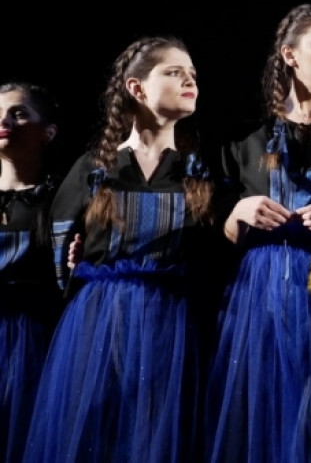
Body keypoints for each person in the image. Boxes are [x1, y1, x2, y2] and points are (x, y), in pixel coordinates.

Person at [22, 36, 220, 462]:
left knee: (156, 436)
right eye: (174, 72)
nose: (190, 81)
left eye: (193, 74)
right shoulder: (96, 167)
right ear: (136, 88)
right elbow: (57, 238)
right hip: (98, 320)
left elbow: (212, 255)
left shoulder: (199, 171)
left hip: (171, 321)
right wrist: (74, 270)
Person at [203, 3, 311, 463]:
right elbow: (211, 232)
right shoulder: (245, 139)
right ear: (289, 54)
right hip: (259, 302)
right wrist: (238, 211)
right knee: (263, 419)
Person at [0, 82, 63, 463]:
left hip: (32, 339)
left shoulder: (59, 200)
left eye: (19, 113)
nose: (4, 121)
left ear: (47, 133)